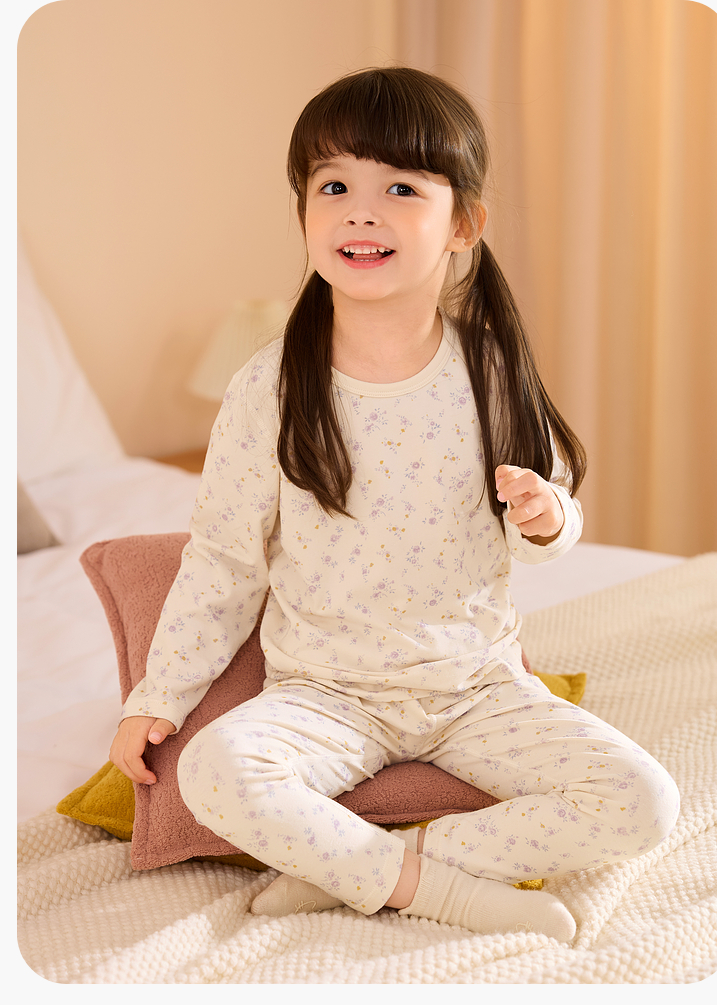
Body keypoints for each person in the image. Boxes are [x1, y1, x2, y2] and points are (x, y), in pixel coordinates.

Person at [110, 67, 679, 940]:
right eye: (334, 187)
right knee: (214, 771)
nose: (361, 212)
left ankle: (365, 869)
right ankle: (436, 889)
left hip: (476, 686)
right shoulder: (268, 387)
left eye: (401, 189)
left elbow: (554, 511)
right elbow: (223, 559)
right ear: (304, 214)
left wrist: (546, 518)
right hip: (326, 694)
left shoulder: (492, 370)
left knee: (645, 800)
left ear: (464, 224)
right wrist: (161, 693)